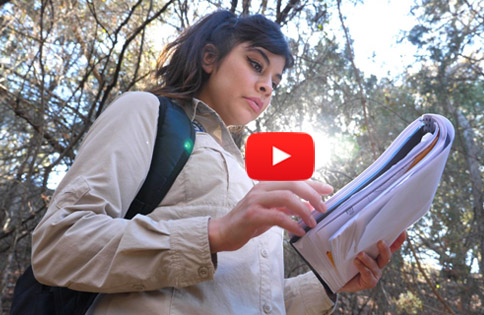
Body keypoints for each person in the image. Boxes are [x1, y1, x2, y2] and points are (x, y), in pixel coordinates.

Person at [31, 10, 406, 314]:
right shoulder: (147, 111)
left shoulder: (248, 175)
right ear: (210, 57)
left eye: (276, 79)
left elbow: (246, 300)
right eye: (256, 65)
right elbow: (58, 245)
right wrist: (214, 234)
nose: (267, 87)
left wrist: (330, 280)